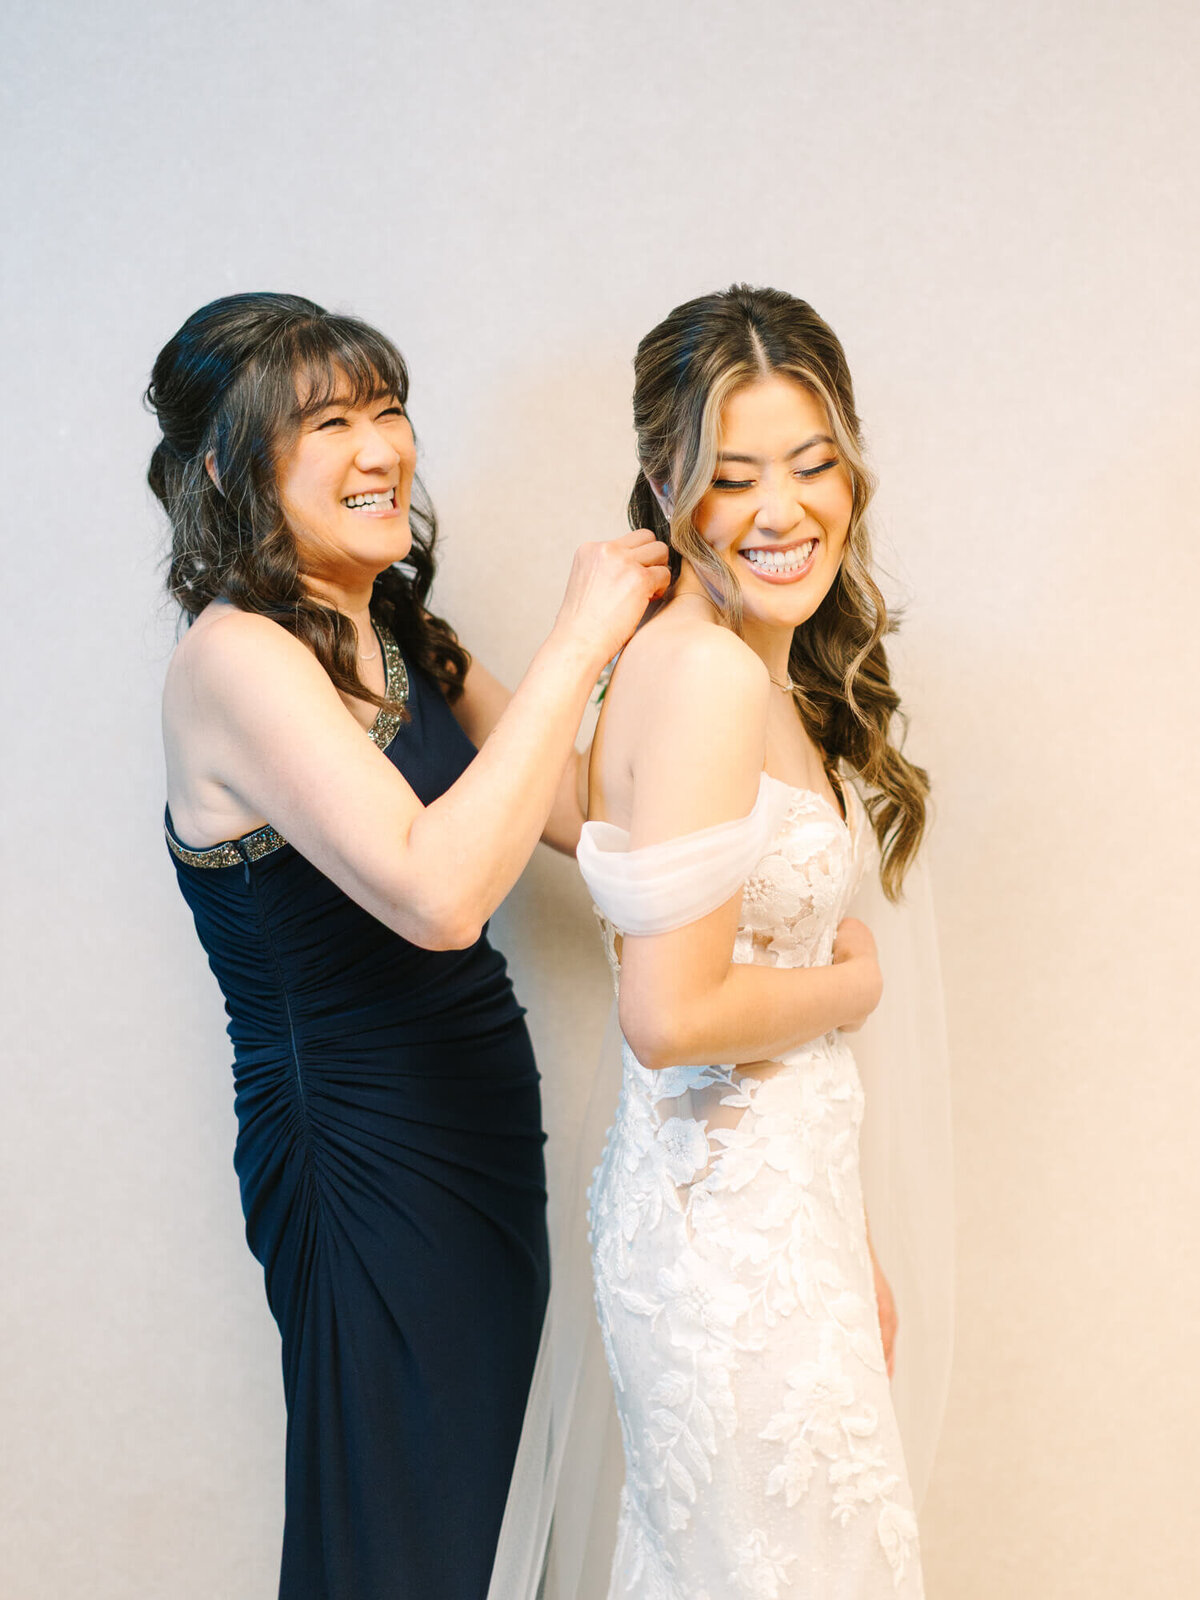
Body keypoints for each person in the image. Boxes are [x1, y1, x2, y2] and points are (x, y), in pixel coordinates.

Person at [147, 292, 668, 1600]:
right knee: (415, 1532)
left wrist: (700, 649)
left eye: (388, 409)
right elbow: (439, 898)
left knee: (494, 1522)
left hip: (477, 1125)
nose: (381, 447)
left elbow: (576, 810)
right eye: (328, 423)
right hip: (361, 1151)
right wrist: (577, 639)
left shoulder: (392, 628)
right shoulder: (236, 657)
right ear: (225, 471)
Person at [489, 285, 953, 1600]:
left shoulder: (724, 655)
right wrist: (849, 985)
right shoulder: (706, 673)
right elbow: (671, 1014)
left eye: (812, 465)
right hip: (732, 1253)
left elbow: (591, 823)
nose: (782, 510)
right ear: (666, 486)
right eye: (733, 477)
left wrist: (844, 1243)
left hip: (762, 1221)